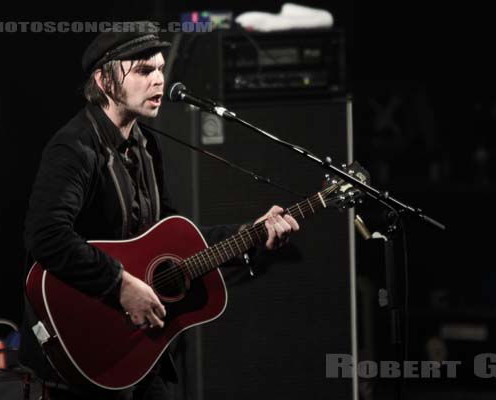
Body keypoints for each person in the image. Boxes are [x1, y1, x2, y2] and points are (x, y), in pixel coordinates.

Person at [19, 21, 299, 400]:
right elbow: (46, 235)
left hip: (141, 346)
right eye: (144, 71)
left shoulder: (146, 144)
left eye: (161, 69)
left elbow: (173, 238)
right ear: (104, 81)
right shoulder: (74, 148)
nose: (159, 81)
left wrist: (251, 232)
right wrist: (118, 283)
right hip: (85, 345)